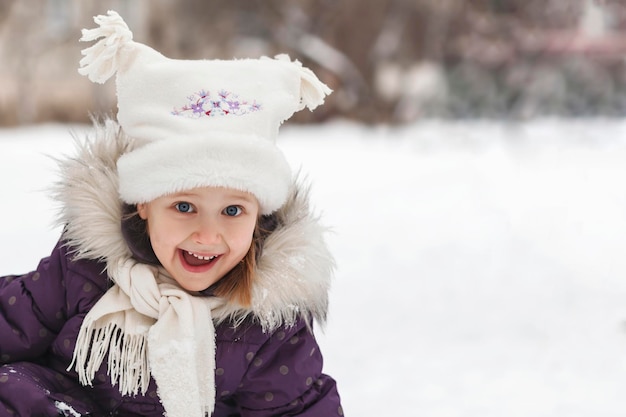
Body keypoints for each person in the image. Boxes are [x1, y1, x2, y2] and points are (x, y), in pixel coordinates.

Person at [0, 10, 343, 417]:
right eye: (184, 207)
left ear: (259, 216)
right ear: (143, 203)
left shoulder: (268, 322)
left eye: (233, 210)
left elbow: (297, 408)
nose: (207, 234)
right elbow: (14, 320)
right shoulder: (84, 269)